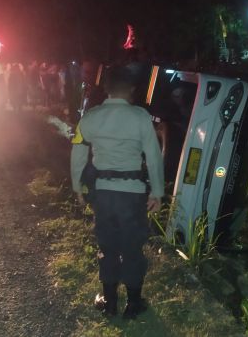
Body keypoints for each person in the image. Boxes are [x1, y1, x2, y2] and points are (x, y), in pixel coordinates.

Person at [70, 65, 164, 319]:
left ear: (106, 89)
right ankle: (133, 304)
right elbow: (153, 157)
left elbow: (78, 152)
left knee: (108, 244)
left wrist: (77, 186)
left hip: (103, 193)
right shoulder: (141, 117)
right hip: (132, 194)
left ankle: (109, 302)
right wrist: (157, 191)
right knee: (133, 247)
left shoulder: (90, 117)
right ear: (132, 90)